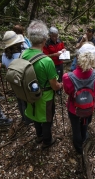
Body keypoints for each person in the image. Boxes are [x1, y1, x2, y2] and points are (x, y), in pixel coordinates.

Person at [21, 20, 63, 149]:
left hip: (29, 92)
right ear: (45, 39)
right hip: (45, 96)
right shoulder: (47, 61)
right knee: (46, 118)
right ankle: (47, 141)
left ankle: (39, 135)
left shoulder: (24, 54)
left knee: (34, 114)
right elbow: (54, 85)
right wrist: (60, 85)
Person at [63, 52, 95, 154]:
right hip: (89, 106)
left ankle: (78, 147)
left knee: (75, 126)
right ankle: (84, 136)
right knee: (85, 121)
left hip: (74, 107)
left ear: (78, 61)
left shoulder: (67, 77)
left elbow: (68, 92)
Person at [2, 31, 31, 124]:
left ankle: (24, 118)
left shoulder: (4, 55)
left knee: (20, 99)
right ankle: (28, 119)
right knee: (26, 100)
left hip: (13, 81)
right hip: (23, 80)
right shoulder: (21, 55)